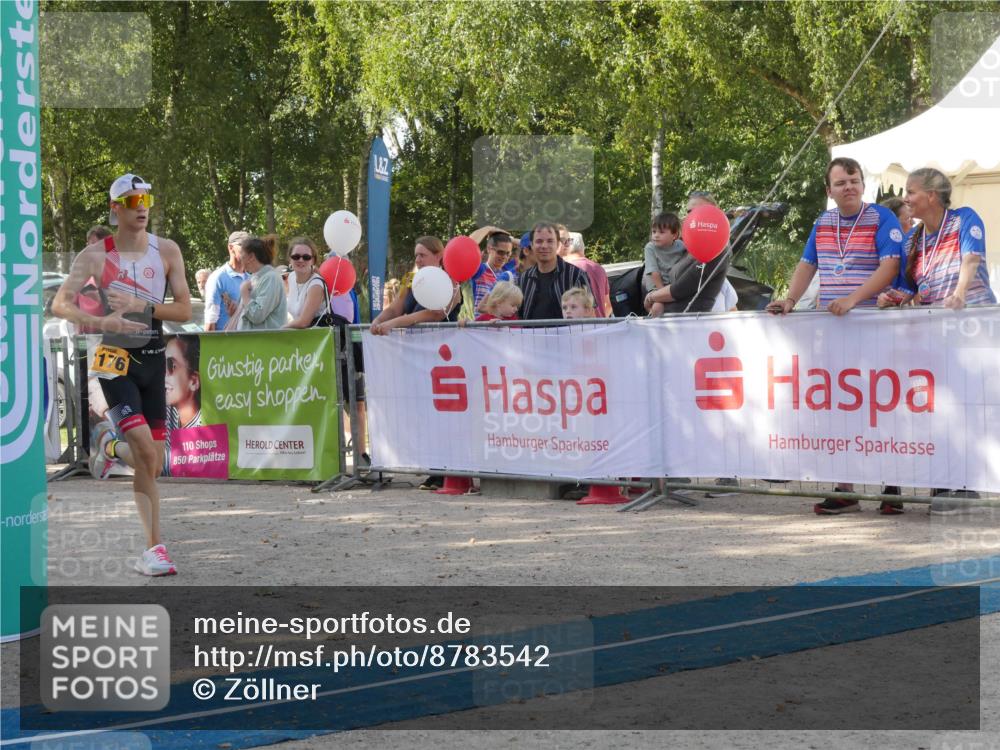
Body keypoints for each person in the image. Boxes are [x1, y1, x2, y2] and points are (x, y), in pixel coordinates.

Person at [52, 173, 192, 576]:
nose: (142, 207)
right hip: (115, 360)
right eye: (132, 201)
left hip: (153, 358)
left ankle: (109, 448)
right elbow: (60, 305)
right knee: (147, 454)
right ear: (116, 210)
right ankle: (154, 549)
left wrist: (141, 305)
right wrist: (100, 320)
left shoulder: (166, 251)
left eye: (146, 198)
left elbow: (183, 310)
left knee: (153, 460)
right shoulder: (95, 255)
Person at [766, 157, 905, 516]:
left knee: (882, 406)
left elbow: (890, 266)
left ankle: (893, 487)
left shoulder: (881, 217)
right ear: (829, 191)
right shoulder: (823, 222)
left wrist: (854, 299)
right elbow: (807, 264)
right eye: (841, 183)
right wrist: (790, 300)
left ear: (863, 184)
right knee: (843, 409)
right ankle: (845, 489)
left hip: (873, 327)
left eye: (854, 180)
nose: (849, 187)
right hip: (835, 332)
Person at [370, 236, 461, 335]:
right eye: (416, 255)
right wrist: (377, 321)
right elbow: (393, 310)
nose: (417, 260)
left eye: (422, 255)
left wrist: (394, 323)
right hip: (413, 345)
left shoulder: (450, 280)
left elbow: (436, 314)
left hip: (441, 345)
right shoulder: (409, 278)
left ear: (438, 256)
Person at [518, 222, 592, 320]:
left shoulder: (576, 275)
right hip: (531, 335)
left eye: (550, 241)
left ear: (557, 244)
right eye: (539, 241)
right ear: (531, 245)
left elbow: (591, 312)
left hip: (570, 335)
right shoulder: (524, 279)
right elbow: (516, 314)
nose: (544, 246)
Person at [643, 242, 730, 313]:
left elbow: (679, 290)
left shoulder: (717, 251)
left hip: (687, 322)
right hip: (671, 320)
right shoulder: (685, 250)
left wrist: (651, 297)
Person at [643, 212, 687, 318]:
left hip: (673, 285)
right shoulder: (650, 247)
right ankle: (656, 328)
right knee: (658, 307)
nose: (656, 235)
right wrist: (662, 293)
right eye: (654, 232)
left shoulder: (681, 246)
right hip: (657, 286)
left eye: (661, 232)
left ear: (675, 235)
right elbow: (654, 272)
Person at [238, 237, 287, 330]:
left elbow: (257, 315)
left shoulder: (271, 278)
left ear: (251, 257)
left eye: (241, 253)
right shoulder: (255, 278)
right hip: (255, 342)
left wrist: (244, 294)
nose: (239, 257)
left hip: (266, 342)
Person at [204, 231, 250, 331]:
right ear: (230, 247)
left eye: (250, 247)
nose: (249, 251)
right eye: (244, 246)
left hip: (249, 341)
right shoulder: (218, 277)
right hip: (226, 343)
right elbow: (210, 322)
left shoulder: (252, 278)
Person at [282, 237, 328, 328]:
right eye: (296, 256)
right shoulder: (291, 277)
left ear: (313, 260)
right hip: (298, 338)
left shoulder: (316, 285)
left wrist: (280, 329)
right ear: (290, 259)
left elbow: (304, 322)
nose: (301, 260)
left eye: (306, 257)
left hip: (317, 339)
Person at [564, 231, 611, 317]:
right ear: (583, 247)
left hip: (578, 328)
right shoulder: (599, 269)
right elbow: (608, 305)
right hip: (601, 327)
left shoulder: (566, 271)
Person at [470, 231, 517, 311]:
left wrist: (511, 239)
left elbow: (530, 249)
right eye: (500, 252)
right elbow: (468, 245)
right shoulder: (480, 269)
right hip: (480, 321)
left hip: (501, 322)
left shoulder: (508, 271)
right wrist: (489, 229)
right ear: (489, 249)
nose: (504, 257)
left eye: (508, 253)